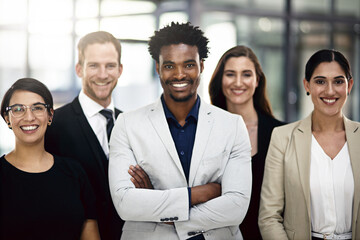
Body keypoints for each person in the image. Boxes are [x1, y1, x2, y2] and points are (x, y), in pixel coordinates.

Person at [108, 22, 252, 240]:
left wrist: (158, 208)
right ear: (157, 68)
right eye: (169, 66)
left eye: (188, 65)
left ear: (201, 66)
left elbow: (237, 206)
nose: (179, 74)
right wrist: (203, 193)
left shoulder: (232, 125)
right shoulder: (127, 124)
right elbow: (126, 204)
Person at [258, 49, 360, 240]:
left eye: (338, 81)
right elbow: (269, 216)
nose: (330, 91)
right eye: (320, 81)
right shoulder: (283, 138)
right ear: (307, 85)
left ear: (349, 85)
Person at [45, 31, 124, 240]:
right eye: (93, 65)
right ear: (79, 69)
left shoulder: (131, 124)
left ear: (120, 70)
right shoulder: (53, 126)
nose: (102, 74)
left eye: (110, 65)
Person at [0, 78, 100, 240]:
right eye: (18, 109)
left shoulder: (75, 174)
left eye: (37, 108)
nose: (29, 117)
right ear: (7, 118)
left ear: (50, 115)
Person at [208, 45, 284, 240]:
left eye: (247, 74)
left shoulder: (281, 133)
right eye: (231, 74)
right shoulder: (204, 131)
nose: (238, 82)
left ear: (257, 80)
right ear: (221, 80)